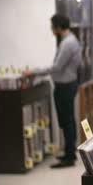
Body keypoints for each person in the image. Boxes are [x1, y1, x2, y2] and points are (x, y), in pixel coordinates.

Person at [23, 14, 82, 168]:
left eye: (52, 27)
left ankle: (69, 156)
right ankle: (70, 152)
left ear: (58, 27)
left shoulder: (67, 43)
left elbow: (57, 67)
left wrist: (35, 71)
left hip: (65, 86)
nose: (51, 30)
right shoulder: (70, 40)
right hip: (68, 84)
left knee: (67, 121)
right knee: (68, 119)